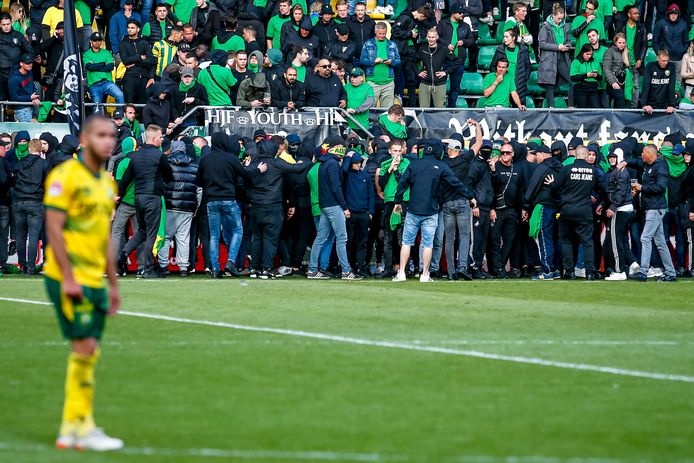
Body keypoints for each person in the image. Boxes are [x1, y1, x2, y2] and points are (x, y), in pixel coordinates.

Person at [43, 115, 123, 451]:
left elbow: (104, 236)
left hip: (95, 280)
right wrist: (70, 277)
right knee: (85, 347)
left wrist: (114, 283)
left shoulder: (108, 184)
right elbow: (54, 228)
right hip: (66, 277)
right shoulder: (65, 175)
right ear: (84, 138)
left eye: (112, 136)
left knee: (90, 349)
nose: (108, 141)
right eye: (101, 135)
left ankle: (72, 429)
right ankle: (79, 426)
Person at [392, 139, 474, 283]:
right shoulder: (441, 166)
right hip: (431, 211)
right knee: (428, 244)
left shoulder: (414, 164)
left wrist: (397, 201)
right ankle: (425, 274)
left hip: (413, 209)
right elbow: (455, 183)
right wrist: (470, 196)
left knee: (406, 242)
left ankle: (401, 273)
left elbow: (402, 183)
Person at [196, 133, 266, 278]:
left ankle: (215, 268)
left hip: (211, 201)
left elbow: (198, 181)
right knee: (238, 231)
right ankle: (231, 261)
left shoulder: (205, 159)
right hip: (228, 199)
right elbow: (245, 174)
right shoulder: (231, 158)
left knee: (214, 235)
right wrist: (258, 170)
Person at [245, 139, 309, 278]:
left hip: (255, 206)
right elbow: (296, 169)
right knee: (270, 239)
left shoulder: (254, 164)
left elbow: (243, 174)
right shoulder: (277, 163)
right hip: (272, 206)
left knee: (257, 238)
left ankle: (254, 268)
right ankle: (267, 268)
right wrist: (304, 162)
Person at [117, 125, 174, 278]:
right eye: (161, 137)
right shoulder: (159, 156)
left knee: (142, 231)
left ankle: (122, 255)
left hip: (138, 198)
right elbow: (170, 177)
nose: (162, 139)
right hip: (153, 198)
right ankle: (148, 269)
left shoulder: (134, 156)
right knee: (151, 234)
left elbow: (125, 180)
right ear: (154, 139)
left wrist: (118, 194)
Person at [307, 144, 363, 280]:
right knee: (342, 238)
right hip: (333, 205)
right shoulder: (332, 164)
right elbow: (336, 187)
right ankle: (346, 271)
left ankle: (312, 270)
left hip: (324, 206)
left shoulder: (323, 164)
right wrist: (344, 207)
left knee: (320, 238)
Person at [544, 146, 600, 280]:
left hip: (567, 210)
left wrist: (551, 183)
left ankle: (569, 271)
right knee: (587, 241)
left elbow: (556, 186)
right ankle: (590, 272)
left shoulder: (567, 168)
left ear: (575, 155)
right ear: (586, 156)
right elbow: (600, 188)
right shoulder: (593, 171)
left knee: (566, 240)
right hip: (585, 211)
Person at [625, 144, 677, 281]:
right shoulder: (648, 164)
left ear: (650, 154)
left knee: (645, 238)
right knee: (660, 242)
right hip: (651, 208)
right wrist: (626, 162)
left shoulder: (660, 167)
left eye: (643, 153)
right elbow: (637, 162)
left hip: (656, 208)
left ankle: (643, 272)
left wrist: (642, 187)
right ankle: (671, 273)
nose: (641, 155)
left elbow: (660, 187)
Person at [157, 141, 199, 276]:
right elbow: (199, 190)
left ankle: (163, 266)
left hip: (168, 206)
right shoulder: (194, 165)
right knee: (183, 238)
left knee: (166, 237)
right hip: (187, 207)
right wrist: (195, 207)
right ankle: (183, 268)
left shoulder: (165, 163)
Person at [524, 145, 563, 280]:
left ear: (542, 154)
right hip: (558, 207)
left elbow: (532, 187)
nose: (535, 157)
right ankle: (556, 269)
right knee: (555, 239)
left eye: (537, 154)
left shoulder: (542, 168)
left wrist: (526, 205)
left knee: (544, 238)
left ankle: (547, 270)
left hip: (544, 206)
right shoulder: (560, 167)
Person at [603, 150, 639, 280]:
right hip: (625, 208)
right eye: (610, 157)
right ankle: (632, 262)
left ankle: (619, 270)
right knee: (621, 239)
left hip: (620, 209)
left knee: (615, 240)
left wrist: (612, 207)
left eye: (614, 157)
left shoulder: (622, 172)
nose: (611, 159)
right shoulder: (620, 171)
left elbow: (621, 192)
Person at [488, 143, 522, 278]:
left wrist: (523, 209)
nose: (505, 155)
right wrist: (491, 208)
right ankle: (497, 269)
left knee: (509, 241)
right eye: (502, 153)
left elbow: (521, 190)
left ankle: (500, 266)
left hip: (513, 210)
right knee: (495, 240)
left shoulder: (518, 169)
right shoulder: (496, 167)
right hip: (497, 210)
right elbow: (490, 189)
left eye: (507, 153)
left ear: (513, 154)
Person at [14, 138, 48, 274]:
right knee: (33, 236)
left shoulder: (21, 162)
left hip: (19, 200)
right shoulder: (44, 164)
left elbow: (14, 178)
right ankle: (31, 267)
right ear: (40, 150)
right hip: (36, 202)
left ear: (29, 148)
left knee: (21, 236)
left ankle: (22, 265)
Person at [436, 3, 475, 108]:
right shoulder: (443, 23)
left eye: (463, 13)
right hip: (444, 60)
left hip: (459, 61)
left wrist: (464, 42)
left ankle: (451, 108)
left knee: (455, 87)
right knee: (440, 85)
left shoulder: (465, 26)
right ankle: (438, 107)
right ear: (453, 13)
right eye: (460, 13)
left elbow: (472, 41)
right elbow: (436, 38)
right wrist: (446, 45)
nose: (462, 14)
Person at [342, 149, 374, 276]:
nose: (358, 165)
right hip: (350, 213)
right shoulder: (346, 175)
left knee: (361, 243)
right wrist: (348, 158)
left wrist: (370, 212)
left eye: (360, 162)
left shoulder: (365, 176)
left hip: (363, 214)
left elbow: (371, 195)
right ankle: (349, 267)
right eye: (355, 163)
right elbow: (343, 170)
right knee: (349, 242)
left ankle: (360, 267)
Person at [538, 4, 573, 108]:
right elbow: (542, 44)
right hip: (549, 58)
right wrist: (558, 47)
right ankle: (550, 107)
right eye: (558, 18)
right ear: (553, 15)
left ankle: (571, 106)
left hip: (562, 57)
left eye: (562, 19)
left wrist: (568, 45)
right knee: (550, 84)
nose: (560, 20)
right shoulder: (545, 26)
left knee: (572, 81)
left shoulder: (565, 26)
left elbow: (568, 40)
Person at [360, 22, 400, 108]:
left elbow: (398, 60)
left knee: (387, 112)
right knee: (370, 110)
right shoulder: (368, 43)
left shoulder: (392, 44)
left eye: (384, 33)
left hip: (388, 82)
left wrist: (391, 62)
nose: (382, 35)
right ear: (375, 32)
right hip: (372, 82)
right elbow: (362, 60)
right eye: (380, 33)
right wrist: (373, 61)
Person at [490, 28, 532, 107]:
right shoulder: (500, 50)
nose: (504, 39)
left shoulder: (523, 50)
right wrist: (498, 78)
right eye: (504, 37)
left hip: (519, 85)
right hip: (504, 84)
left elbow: (528, 67)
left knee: (520, 113)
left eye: (507, 37)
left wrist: (524, 78)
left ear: (513, 38)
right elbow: (493, 66)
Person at [84, 32, 124, 111]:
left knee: (120, 95)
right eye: (95, 40)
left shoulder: (106, 52)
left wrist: (96, 66)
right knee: (96, 109)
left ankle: (120, 116)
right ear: (91, 41)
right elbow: (90, 67)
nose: (97, 42)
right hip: (94, 85)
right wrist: (103, 64)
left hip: (107, 82)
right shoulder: (86, 54)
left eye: (99, 40)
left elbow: (110, 67)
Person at [617, 5, 648, 108]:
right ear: (629, 14)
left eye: (638, 13)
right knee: (622, 85)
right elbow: (616, 43)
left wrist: (640, 59)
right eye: (635, 13)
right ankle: (623, 108)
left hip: (635, 62)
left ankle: (634, 108)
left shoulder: (641, 27)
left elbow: (644, 45)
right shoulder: (621, 26)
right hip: (623, 61)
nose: (637, 15)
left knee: (635, 86)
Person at [120, 19, 156, 105]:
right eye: (128, 27)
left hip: (143, 77)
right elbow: (125, 61)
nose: (129, 29)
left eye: (132, 28)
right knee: (129, 104)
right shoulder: (123, 44)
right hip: (129, 77)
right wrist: (140, 57)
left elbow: (151, 61)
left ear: (138, 29)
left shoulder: (145, 43)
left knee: (142, 104)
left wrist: (135, 62)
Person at [652, 4, 689, 85]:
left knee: (677, 80)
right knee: (663, 80)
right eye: (672, 13)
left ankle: (676, 96)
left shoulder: (683, 24)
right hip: (665, 58)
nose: (673, 16)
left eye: (675, 14)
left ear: (678, 14)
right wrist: (660, 54)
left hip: (679, 58)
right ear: (668, 14)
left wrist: (683, 51)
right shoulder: (660, 23)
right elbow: (655, 41)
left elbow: (686, 41)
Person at [0, 12, 33, 102]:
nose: (6, 26)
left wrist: (25, 61)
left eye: (8, 24)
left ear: (11, 22)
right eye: (3, 24)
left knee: (16, 99)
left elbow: (29, 50)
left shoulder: (18, 35)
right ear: (0, 24)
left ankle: (17, 116)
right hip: (1, 73)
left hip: (16, 73)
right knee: (1, 99)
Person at [417, 28, 451, 108]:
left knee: (441, 111)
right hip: (425, 84)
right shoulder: (422, 49)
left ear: (437, 37)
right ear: (426, 37)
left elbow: (457, 62)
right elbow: (412, 61)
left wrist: (446, 72)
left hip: (439, 84)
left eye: (433, 37)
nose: (431, 39)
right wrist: (418, 72)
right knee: (423, 111)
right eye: (429, 37)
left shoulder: (443, 49)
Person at [639, 49, 678, 114]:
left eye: (667, 61)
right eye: (663, 61)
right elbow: (646, 86)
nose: (665, 63)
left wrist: (672, 105)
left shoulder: (671, 66)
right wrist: (644, 104)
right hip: (650, 104)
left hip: (665, 105)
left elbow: (671, 87)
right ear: (657, 58)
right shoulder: (650, 66)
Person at [7, 54, 40, 122]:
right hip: (21, 111)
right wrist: (30, 98)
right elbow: (14, 98)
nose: (30, 65)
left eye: (31, 63)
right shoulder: (14, 79)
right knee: (25, 132)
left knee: (32, 131)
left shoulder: (30, 72)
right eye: (27, 63)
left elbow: (32, 87)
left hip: (31, 106)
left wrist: (34, 98)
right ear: (21, 64)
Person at [571, 43, 604, 108]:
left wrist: (596, 75)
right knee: (582, 109)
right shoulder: (576, 62)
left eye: (591, 54)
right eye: (587, 54)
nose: (589, 56)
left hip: (593, 89)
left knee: (596, 108)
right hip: (581, 89)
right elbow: (573, 77)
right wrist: (585, 75)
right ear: (582, 53)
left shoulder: (595, 62)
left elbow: (600, 78)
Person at [602, 32, 630, 108]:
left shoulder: (627, 52)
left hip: (624, 81)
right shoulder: (609, 51)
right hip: (613, 81)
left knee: (625, 99)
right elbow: (606, 68)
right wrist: (613, 82)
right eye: (619, 42)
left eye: (624, 42)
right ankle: (619, 118)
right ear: (615, 42)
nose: (622, 44)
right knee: (620, 96)